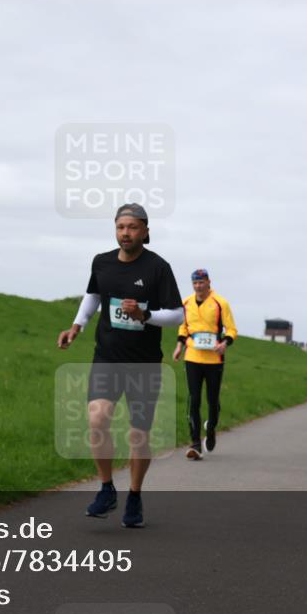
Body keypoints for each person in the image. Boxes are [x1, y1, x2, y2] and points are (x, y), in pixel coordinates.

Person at [57, 203, 183, 528]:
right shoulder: (102, 262)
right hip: (108, 357)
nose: (125, 233)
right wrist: (77, 326)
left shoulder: (158, 268)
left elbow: (178, 314)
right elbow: (94, 295)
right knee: (97, 418)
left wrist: (146, 316)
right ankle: (106, 488)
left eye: (132, 227)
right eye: (120, 227)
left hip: (143, 363)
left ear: (146, 231)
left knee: (138, 435)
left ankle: (135, 497)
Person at [172, 269, 237, 460]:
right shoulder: (186, 303)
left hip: (214, 359)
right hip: (192, 357)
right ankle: (195, 444)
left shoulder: (220, 303)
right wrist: (179, 346)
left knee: (212, 401)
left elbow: (231, 329)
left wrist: (225, 343)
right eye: (195, 283)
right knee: (193, 400)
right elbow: (183, 327)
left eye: (201, 282)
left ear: (209, 282)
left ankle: (211, 428)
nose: (198, 286)